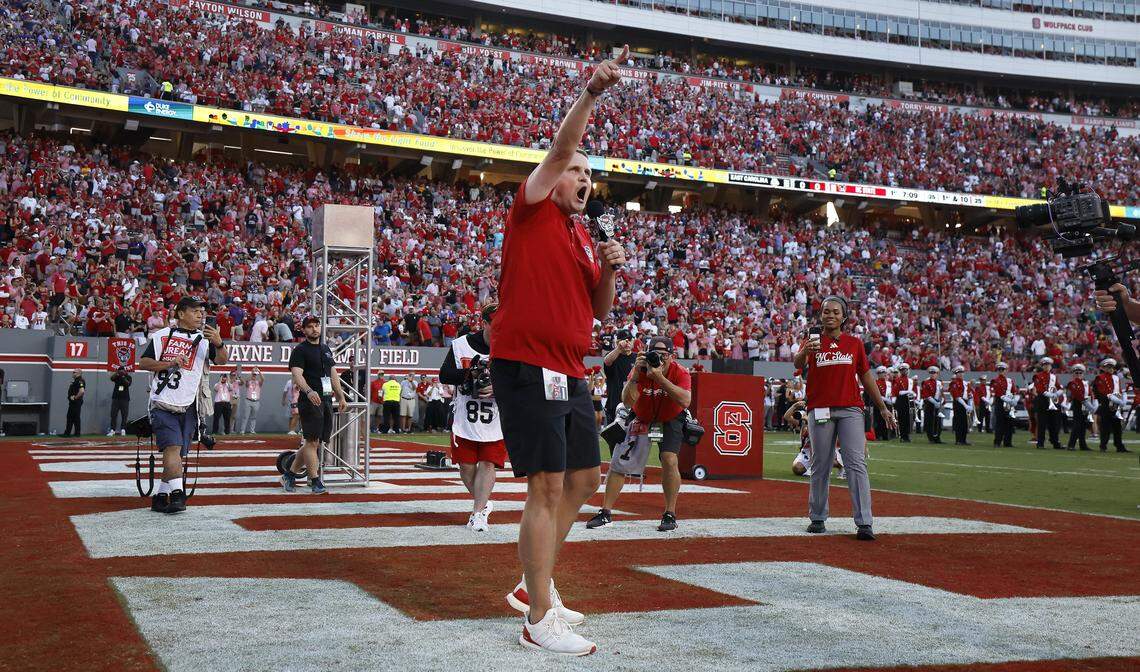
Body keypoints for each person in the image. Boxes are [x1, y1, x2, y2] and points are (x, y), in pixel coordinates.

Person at [489, 45, 629, 657]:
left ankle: (532, 583)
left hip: (570, 369)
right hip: (528, 362)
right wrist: (591, 94)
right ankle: (539, 617)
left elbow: (599, 312)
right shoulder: (535, 208)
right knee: (546, 486)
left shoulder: (581, 235)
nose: (584, 181)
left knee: (584, 478)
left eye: (590, 177)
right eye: (579, 172)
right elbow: (560, 149)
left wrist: (612, 269)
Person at [793, 295, 896, 542]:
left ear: (844, 317)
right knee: (821, 463)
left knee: (856, 463)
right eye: (826, 311)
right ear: (820, 315)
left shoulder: (854, 343)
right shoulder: (811, 341)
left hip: (850, 408)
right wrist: (805, 350)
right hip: (819, 408)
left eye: (836, 312)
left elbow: (866, 376)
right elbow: (797, 365)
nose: (830, 315)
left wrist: (882, 407)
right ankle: (817, 518)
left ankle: (864, 522)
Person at [586, 336, 691, 532]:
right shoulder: (639, 369)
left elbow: (685, 401)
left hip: (670, 417)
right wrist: (635, 375)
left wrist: (659, 377)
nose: (658, 359)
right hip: (642, 415)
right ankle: (606, 512)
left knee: (669, 459)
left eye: (664, 355)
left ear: (672, 356)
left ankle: (670, 513)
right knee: (620, 460)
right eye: (654, 354)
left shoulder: (680, 371)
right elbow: (626, 401)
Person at [138, 296, 227, 514]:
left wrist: (219, 343)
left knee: (178, 454)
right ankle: (178, 495)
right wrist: (169, 363)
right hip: (163, 402)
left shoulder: (205, 340)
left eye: (201, 312)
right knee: (173, 448)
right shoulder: (161, 336)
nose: (200, 315)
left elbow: (222, 360)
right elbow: (144, 362)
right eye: (195, 311)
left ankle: (160, 496)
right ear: (180, 314)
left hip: (190, 405)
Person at [439, 301, 503, 532]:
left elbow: (521, 380)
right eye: (496, 326)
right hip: (465, 416)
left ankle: (478, 514)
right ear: (484, 323)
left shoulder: (513, 345)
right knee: (466, 468)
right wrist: (469, 376)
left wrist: (497, 388)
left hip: (495, 418)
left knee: (488, 463)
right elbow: (444, 374)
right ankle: (483, 504)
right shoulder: (461, 345)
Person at [283, 316, 349, 494]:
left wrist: (341, 396)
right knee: (311, 441)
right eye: (310, 327)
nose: (314, 329)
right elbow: (297, 374)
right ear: (304, 330)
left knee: (315, 442)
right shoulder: (300, 350)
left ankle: (289, 475)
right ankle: (314, 480)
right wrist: (308, 391)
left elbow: (333, 374)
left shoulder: (326, 349)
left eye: (316, 325)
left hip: (326, 399)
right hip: (310, 400)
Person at [785, 399, 843, 479]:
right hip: (807, 451)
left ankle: (841, 466)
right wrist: (794, 406)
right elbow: (787, 417)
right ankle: (815, 467)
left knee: (830, 460)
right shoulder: (802, 421)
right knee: (797, 469)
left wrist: (810, 421)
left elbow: (822, 434)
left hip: (822, 450)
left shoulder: (822, 416)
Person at [1093, 357, 1128, 453]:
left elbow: (1119, 391)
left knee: (1117, 428)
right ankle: (1103, 446)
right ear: (1103, 368)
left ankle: (1119, 446)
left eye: (1112, 367)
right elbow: (1101, 391)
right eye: (1108, 367)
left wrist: (1121, 399)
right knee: (1105, 428)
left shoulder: (1116, 378)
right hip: (1106, 405)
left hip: (1116, 406)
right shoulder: (1100, 378)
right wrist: (1110, 397)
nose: (1110, 369)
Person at [602, 329, 635, 424]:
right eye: (624, 340)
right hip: (615, 402)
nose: (627, 342)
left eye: (629, 339)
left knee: (633, 436)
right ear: (617, 342)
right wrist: (619, 348)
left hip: (632, 402)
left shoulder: (637, 357)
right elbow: (607, 361)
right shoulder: (613, 356)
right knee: (615, 435)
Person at [1032, 357, 1063, 450]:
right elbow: (1039, 387)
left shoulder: (1054, 376)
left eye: (1048, 365)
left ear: (1051, 366)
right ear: (1042, 366)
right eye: (1045, 365)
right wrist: (1048, 394)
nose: (1047, 366)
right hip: (1043, 401)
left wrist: (1058, 393)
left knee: (1054, 423)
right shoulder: (1038, 376)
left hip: (1052, 401)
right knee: (1042, 423)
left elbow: (1059, 386)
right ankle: (1040, 443)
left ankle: (1055, 442)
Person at [1065, 364, 1092, 451]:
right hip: (1078, 404)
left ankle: (1083, 445)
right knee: (1077, 425)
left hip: (1086, 404)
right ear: (1073, 374)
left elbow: (1090, 393)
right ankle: (1071, 444)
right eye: (1076, 373)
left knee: (1083, 426)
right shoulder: (1072, 383)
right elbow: (1076, 394)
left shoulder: (1086, 383)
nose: (1078, 374)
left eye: (1080, 373)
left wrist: (1092, 403)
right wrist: (1086, 403)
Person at [990, 362, 1015, 447]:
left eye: (1003, 370)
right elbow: (998, 393)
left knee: (1009, 423)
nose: (1001, 371)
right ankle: (997, 442)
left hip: (1009, 404)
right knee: (1000, 423)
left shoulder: (1010, 381)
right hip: (1000, 403)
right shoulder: (995, 381)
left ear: (1006, 370)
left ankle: (1008, 442)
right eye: (999, 370)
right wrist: (1008, 400)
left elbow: (1014, 391)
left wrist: (1013, 399)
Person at [235, 367, 264, 434]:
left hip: (256, 401)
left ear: (256, 376)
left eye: (255, 375)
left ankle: (252, 430)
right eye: (253, 375)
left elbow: (263, 379)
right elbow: (246, 380)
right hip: (248, 401)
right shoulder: (249, 382)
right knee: (245, 416)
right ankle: (242, 430)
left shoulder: (258, 383)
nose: (254, 376)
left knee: (254, 417)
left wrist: (259, 371)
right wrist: (252, 372)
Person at [892, 363, 916, 442]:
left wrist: (913, 393)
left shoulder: (911, 380)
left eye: (905, 370)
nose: (904, 371)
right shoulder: (897, 380)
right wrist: (907, 391)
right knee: (901, 419)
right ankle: (902, 436)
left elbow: (914, 390)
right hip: (901, 400)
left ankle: (907, 436)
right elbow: (897, 392)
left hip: (909, 400)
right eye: (902, 370)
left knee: (908, 419)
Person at [920, 366, 944, 444]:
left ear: (937, 374)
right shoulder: (926, 382)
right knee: (930, 421)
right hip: (930, 403)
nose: (933, 374)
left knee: (938, 421)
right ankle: (931, 438)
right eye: (931, 373)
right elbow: (926, 395)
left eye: (934, 373)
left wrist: (941, 401)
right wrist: (935, 402)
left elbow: (941, 394)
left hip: (937, 403)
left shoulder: (939, 383)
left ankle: (937, 437)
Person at [108, 366, 132, 436]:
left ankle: (123, 430)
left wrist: (123, 377)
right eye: (120, 371)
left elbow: (128, 384)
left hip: (125, 399)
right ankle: (112, 430)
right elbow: (112, 378)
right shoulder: (117, 377)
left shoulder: (128, 377)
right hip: (116, 398)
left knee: (124, 415)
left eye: (122, 371)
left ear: (125, 371)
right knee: (113, 415)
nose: (121, 372)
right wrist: (117, 374)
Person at [949, 366, 970, 445]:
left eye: (961, 372)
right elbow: (957, 396)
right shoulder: (954, 383)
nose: (961, 374)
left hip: (965, 402)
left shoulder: (965, 383)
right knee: (959, 422)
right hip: (958, 403)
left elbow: (968, 394)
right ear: (956, 374)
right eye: (959, 373)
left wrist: (970, 400)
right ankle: (958, 440)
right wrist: (966, 405)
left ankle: (963, 440)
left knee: (964, 422)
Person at [61, 370, 86, 437]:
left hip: (76, 402)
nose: (72, 373)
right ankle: (75, 433)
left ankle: (68, 433)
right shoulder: (76, 381)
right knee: (74, 417)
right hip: (73, 402)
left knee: (72, 417)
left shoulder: (80, 381)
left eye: (74, 372)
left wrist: (75, 397)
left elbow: (82, 391)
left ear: (78, 373)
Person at [872, 365, 893, 441]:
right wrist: (884, 399)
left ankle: (886, 435)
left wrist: (891, 399)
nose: (884, 374)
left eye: (885, 372)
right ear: (878, 373)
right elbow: (875, 394)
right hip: (878, 403)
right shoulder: (875, 382)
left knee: (887, 420)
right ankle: (878, 435)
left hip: (887, 403)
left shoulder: (889, 383)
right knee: (878, 420)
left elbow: (891, 393)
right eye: (882, 372)